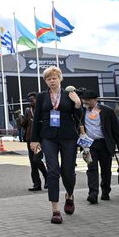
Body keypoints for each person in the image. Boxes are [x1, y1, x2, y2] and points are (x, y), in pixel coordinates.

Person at [30, 66, 82, 224]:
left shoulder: (70, 95)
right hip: (48, 137)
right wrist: (34, 139)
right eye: (48, 78)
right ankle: (55, 209)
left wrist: (78, 104)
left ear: (60, 78)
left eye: (54, 78)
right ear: (45, 81)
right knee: (52, 171)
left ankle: (69, 195)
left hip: (68, 136)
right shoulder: (41, 97)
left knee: (68, 171)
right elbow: (37, 118)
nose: (51, 81)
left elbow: (78, 118)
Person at [80, 89, 119, 204]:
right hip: (89, 145)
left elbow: (116, 129)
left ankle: (105, 191)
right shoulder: (81, 111)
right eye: (84, 100)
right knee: (92, 169)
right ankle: (93, 194)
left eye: (88, 100)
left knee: (106, 170)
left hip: (105, 144)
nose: (86, 102)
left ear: (95, 100)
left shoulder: (107, 111)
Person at [19, 92, 48, 192]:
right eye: (29, 100)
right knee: (32, 163)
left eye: (32, 100)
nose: (30, 102)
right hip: (29, 139)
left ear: (37, 99)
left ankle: (46, 175)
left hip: (39, 139)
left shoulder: (42, 109)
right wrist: (21, 119)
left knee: (37, 159)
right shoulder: (28, 110)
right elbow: (24, 124)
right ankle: (37, 184)